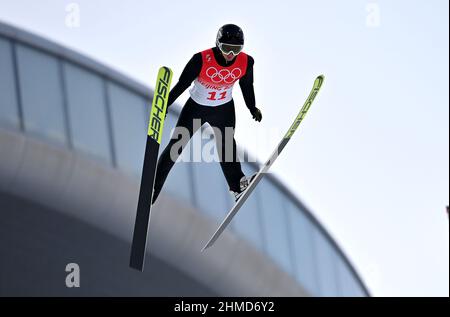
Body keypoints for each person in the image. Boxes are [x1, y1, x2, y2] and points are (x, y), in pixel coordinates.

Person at [152, 24, 262, 204]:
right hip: (196, 108)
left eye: (236, 50)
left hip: (224, 109)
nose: (231, 55)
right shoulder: (201, 59)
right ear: (218, 44)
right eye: (227, 49)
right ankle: (153, 188)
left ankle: (237, 186)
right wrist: (163, 106)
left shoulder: (246, 62)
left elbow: (247, 86)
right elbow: (182, 84)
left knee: (227, 144)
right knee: (176, 146)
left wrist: (252, 107)